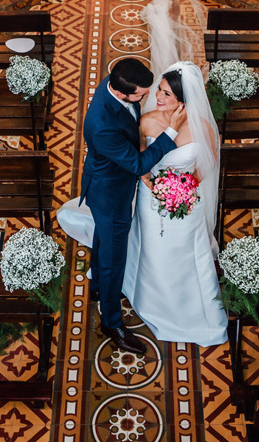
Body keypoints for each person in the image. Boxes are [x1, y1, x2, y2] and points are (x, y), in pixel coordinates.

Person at [77, 57, 186, 355]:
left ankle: (97, 284)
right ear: (121, 93)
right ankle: (111, 322)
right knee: (115, 256)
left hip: (111, 183)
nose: (149, 97)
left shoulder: (115, 81)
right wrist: (170, 132)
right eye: (142, 94)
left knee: (104, 237)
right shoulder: (101, 125)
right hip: (110, 193)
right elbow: (137, 164)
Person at [122, 61, 228, 346]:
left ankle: (188, 303)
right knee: (153, 247)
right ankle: (149, 296)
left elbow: (209, 159)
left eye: (166, 93)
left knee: (184, 250)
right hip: (151, 196)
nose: (157, 96)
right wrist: (148, 180)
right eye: (159, 89)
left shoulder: (202, 127)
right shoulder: (147, 121)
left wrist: (188, 185)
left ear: (183, 100)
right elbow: (140, 158)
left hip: (187, 199)